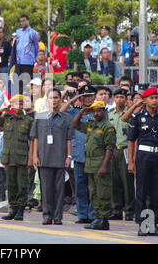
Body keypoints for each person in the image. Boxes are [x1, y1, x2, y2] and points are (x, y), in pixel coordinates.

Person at [127, 87, 158, 237]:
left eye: (157, 97)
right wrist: (131, 161)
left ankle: (153, 224)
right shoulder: (138, 117)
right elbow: (131, 141)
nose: (155, 100)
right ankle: (142, 224)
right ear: (145, 100)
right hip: (143, 156)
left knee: (156, 192)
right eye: (152, 98)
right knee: (142, 191)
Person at [72, 100, 116, 230]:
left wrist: (104, 166)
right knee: (93, 192)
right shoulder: (91, 125)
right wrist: (80, 112)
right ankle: (97, 217)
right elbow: (74, 125)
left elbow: (110, 148)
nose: (96, 113)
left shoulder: (107, 127)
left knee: (103, 192)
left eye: (99, 111)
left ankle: (103, 219)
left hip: (101, 162)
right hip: (90, 163)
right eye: (94, 111)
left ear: (104, 111)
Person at [30, 88, 72, 225]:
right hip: (43, 157)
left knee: (59, 190)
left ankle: (58, 217)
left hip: (60, 158)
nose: (54, 100)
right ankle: (47, 215)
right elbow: (35, 138)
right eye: (51, 98)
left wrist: (69, 156)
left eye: (56, 97)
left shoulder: (66, 118)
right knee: (46, 189)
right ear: (46, 100)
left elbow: (69, 139)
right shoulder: (40, 117)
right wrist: (34, 155)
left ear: (60, 100)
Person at [62, 84, 96, 224]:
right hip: (79, 153)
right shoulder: (74, 110)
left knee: (93, 186)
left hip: (94, 154)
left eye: (90, 96)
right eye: (85, 96)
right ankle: (82, 214)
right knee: (80, 185)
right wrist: (73, 100)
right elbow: (60, 112)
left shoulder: (98, 110)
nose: (88, 99)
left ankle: (93, 214)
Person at [0, 94, 34, 221]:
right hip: (9, 157)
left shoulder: (28, 120)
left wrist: (31, 158)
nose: (19, 106)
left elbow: (33, 140)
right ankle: (13, 208)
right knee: (10, 184)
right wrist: (2, 109)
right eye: (16, 103)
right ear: (12, 105)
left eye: (21, 104)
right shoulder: (7, 118)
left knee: (22, 185)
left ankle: (20, 210)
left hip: (22, 158)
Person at [108, 88, 135, 221]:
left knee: (127, 181)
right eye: (117, 97)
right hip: (113, 150)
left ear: (126, 99)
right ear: (114, 99)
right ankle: (116, 209)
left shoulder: (130, 114)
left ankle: (129, 210)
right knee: (114, 180)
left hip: (125, 149)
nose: (120, 99)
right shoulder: (110, 113)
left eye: (122, 97)